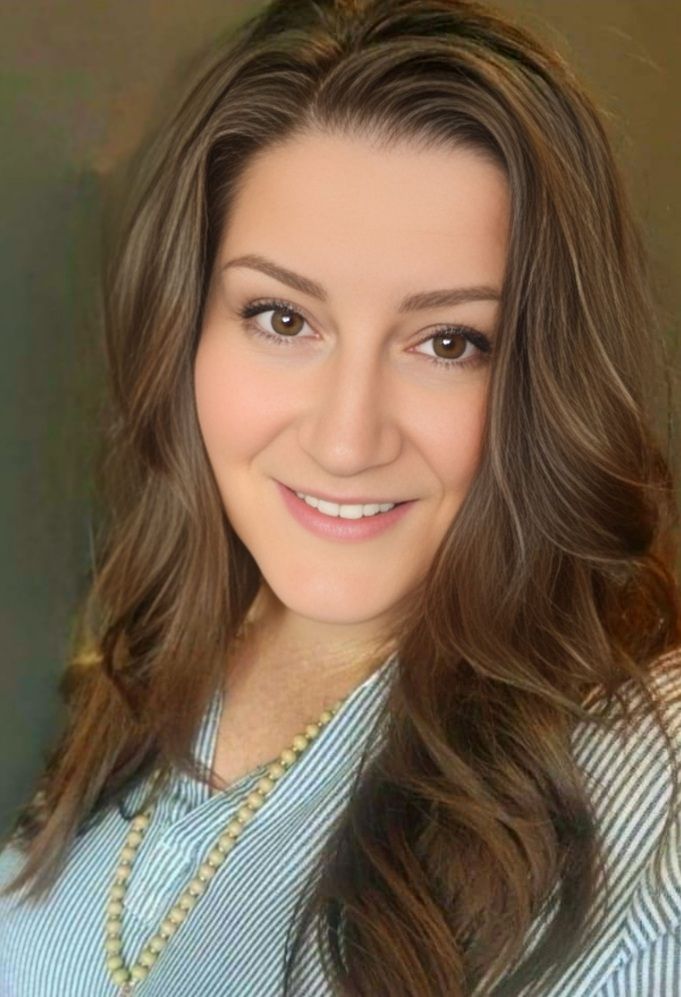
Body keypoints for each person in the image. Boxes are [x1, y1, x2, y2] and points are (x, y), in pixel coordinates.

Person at [1, 0, 679, 993]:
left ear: (546, 381)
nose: (346, 437)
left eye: (449, 342)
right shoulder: (126, 662)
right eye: (282, 317)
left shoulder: (646, 792)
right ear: (184, 328)